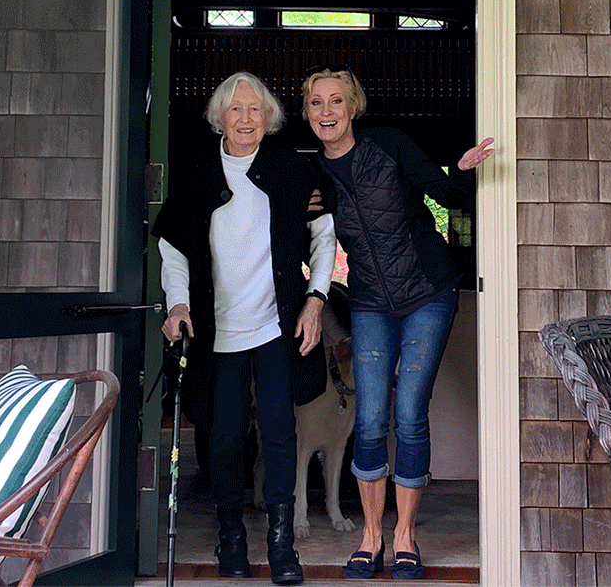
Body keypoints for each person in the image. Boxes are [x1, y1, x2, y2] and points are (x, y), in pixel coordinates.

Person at [301, 66, 494, 581]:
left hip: (427, 293)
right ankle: (371, 537)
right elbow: (306, 244)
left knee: (408, 413)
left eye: (336, 101)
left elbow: (446, 193)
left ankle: (405, 536)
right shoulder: (315, 177)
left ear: (353, 106)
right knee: (368, 420)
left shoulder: (387, 144)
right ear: (306, 113)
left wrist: (465, 167)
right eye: (316, 103)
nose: (327, 112)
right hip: (369, 303)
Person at [152, 72, 336, 586]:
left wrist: (316, 300)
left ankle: (282, 545)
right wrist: (178, 304)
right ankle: (230, 536)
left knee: (279, 433)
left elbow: (323, 236)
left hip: (275, 325)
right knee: (226, 437)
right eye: (236, 110)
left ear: (269, 117)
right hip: (218, 331)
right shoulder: (198, 171)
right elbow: (173, 246)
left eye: (255, 110)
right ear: (220, 117)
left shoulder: (289, 169)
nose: (246, 119)